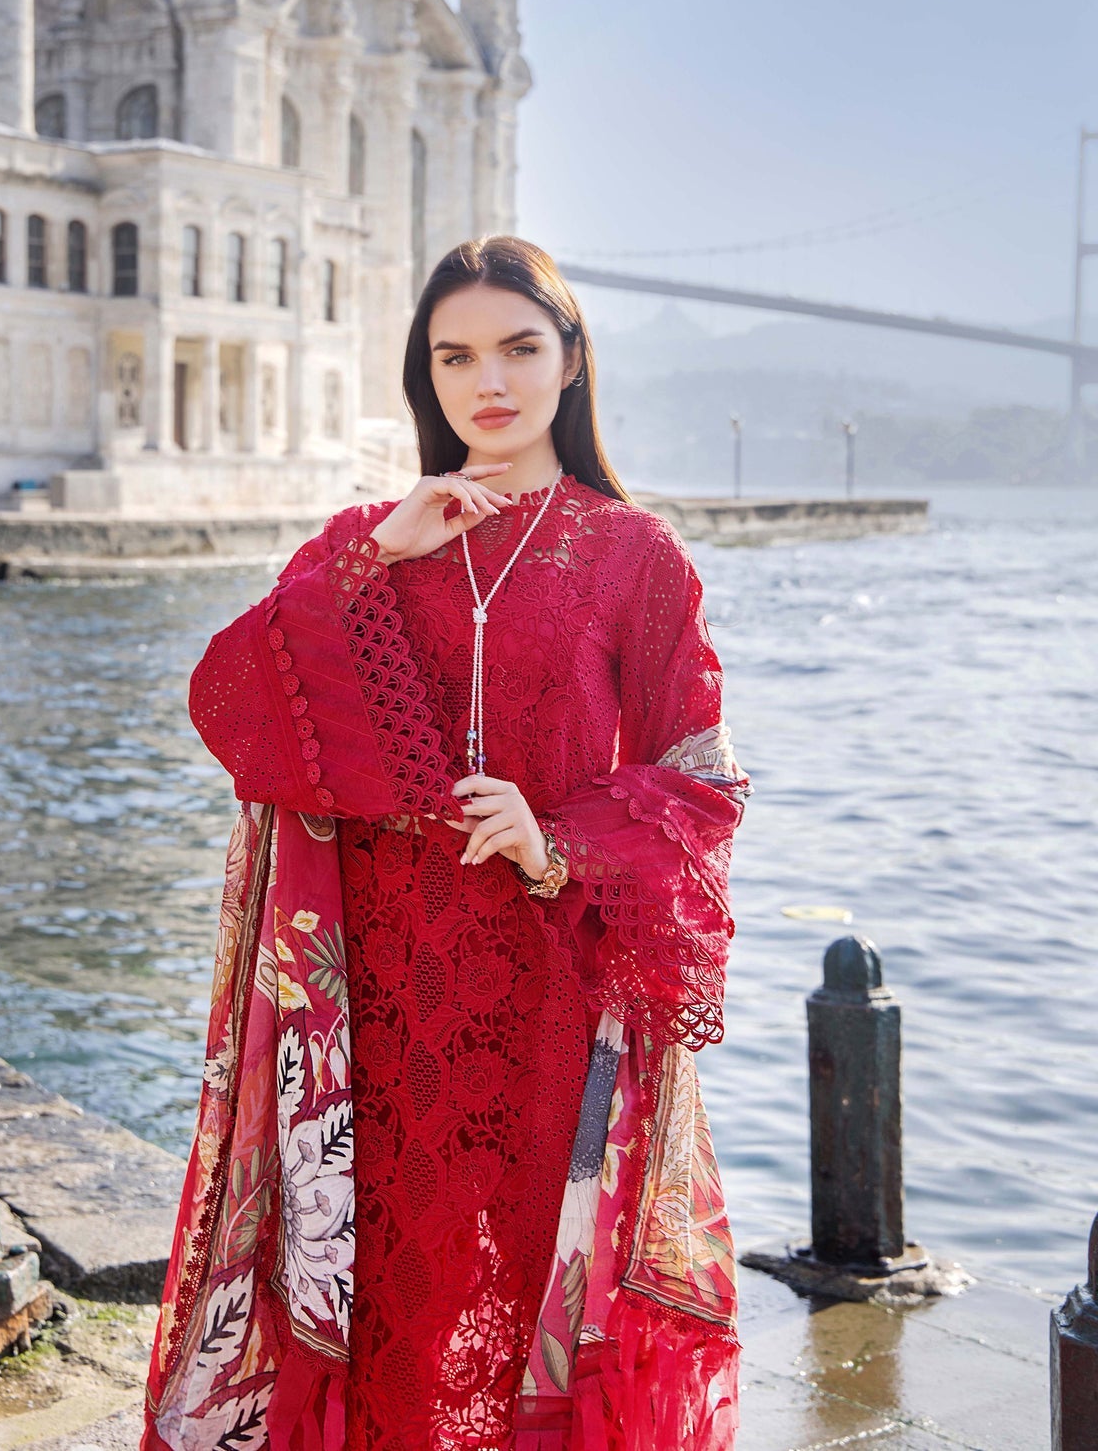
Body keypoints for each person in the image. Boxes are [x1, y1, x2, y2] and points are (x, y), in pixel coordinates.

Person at [142, 236, 750, 1451]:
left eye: (520, 348)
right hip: (374, 1004)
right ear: (426, 375)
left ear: (571, 360)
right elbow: (230, 706)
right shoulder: (364, 539)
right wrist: (378, 555)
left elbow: (703, 784)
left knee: (524, 1301)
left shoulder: (633, 557)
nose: (491, 382)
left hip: (543, 993)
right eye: (455, 355)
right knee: (380, 1296)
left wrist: (556, 840)